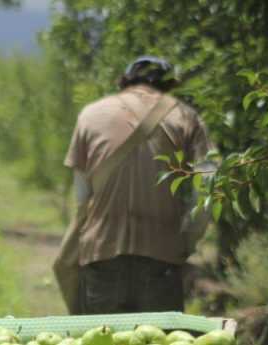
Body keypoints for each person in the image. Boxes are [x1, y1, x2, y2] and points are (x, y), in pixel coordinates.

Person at [63, 56, 213, 315]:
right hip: (161, 261)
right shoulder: (187, 117)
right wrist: (188, 240)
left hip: (101, 256)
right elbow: (209, 187)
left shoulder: (91, 114)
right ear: (169, 85)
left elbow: (81, 195)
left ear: (125, 81)